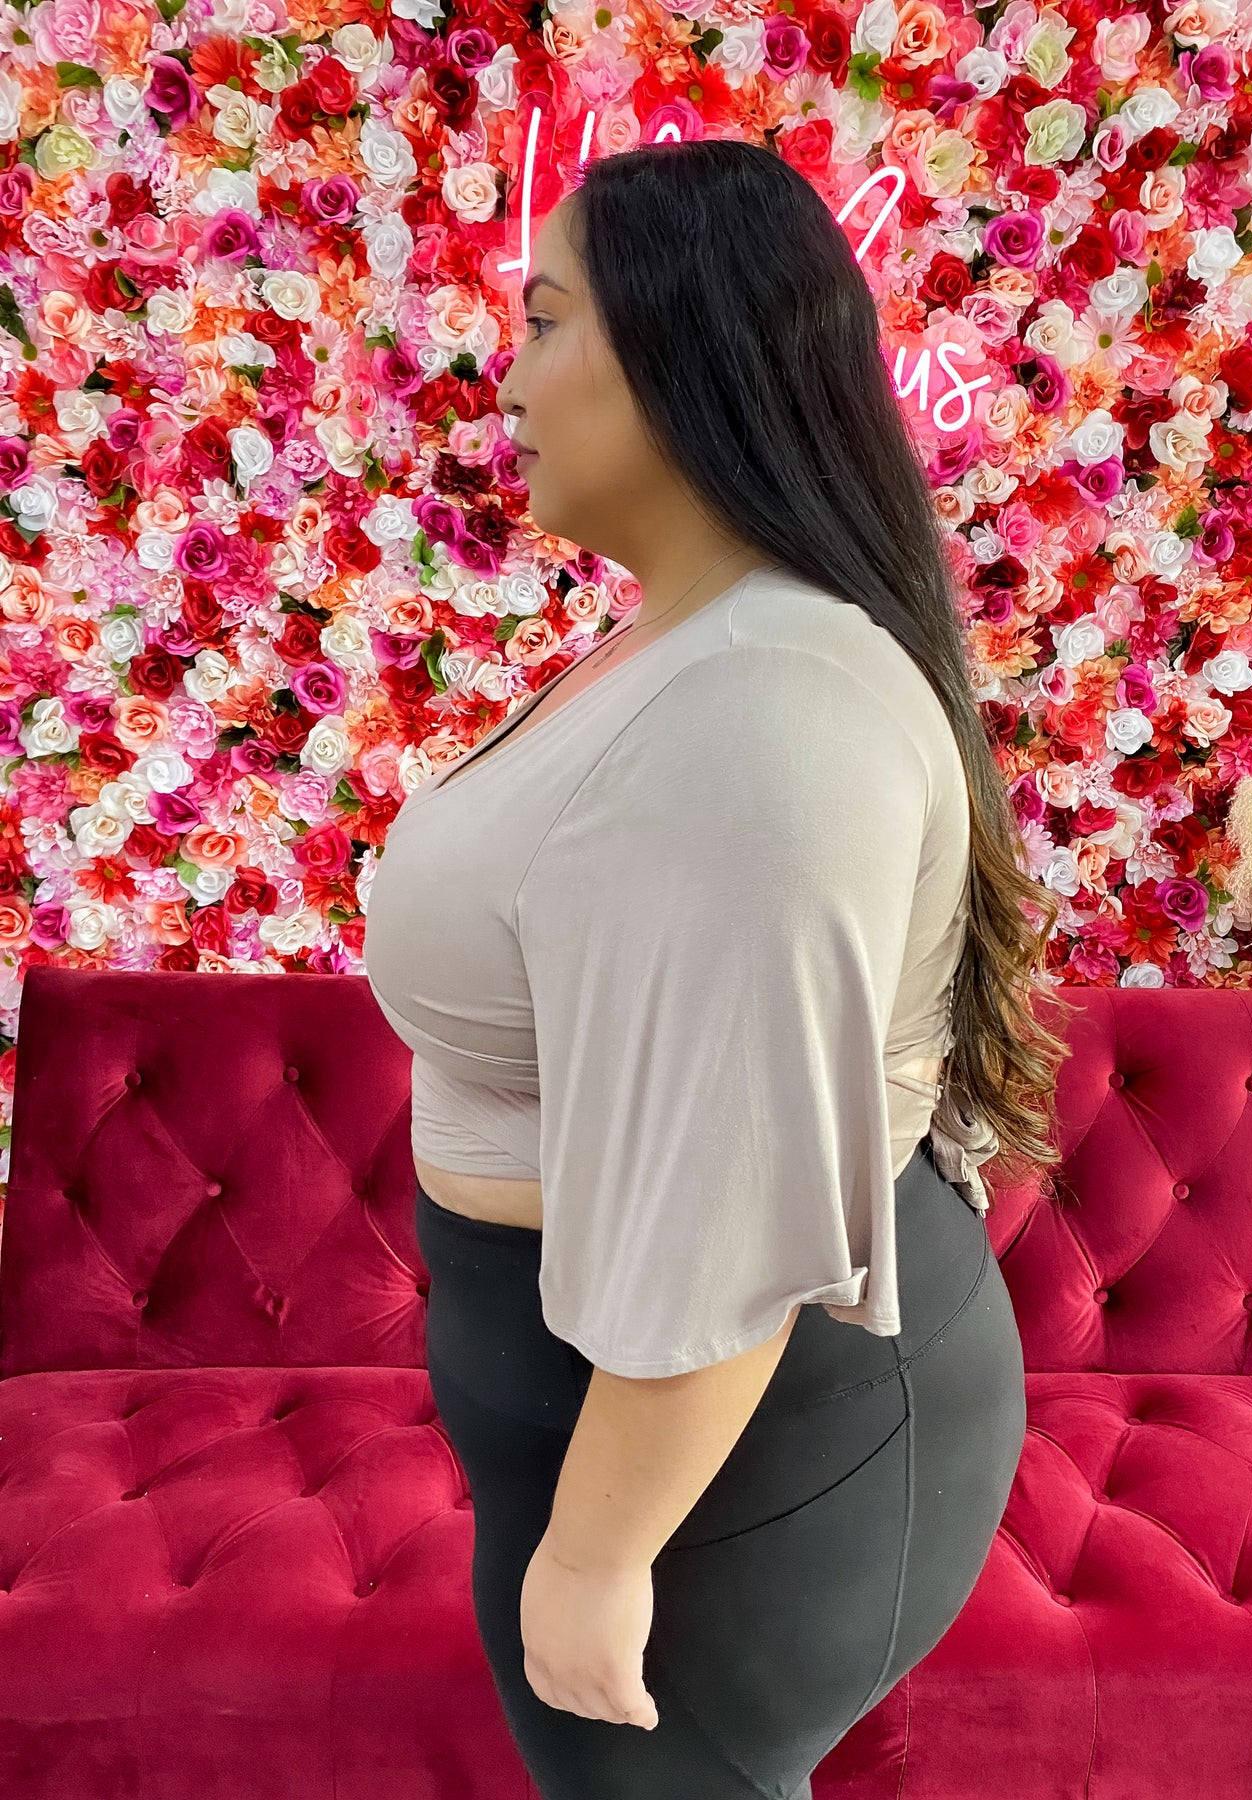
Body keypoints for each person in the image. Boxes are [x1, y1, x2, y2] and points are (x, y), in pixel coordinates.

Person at [363, 137, 1071, 1800]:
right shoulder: (699, 648)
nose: (505, 377)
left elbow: (731, 1198)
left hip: (724, 1449)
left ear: (685, 346)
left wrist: (597, 1553)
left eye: (545, 320)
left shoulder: (765, 707)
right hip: (642, 1418)